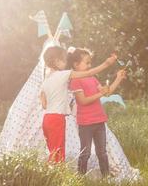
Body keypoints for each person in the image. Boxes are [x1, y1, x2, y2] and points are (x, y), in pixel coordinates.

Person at [40, 46, 117, 163]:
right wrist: (106, 64)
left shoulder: (46, 79)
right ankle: (56, 179)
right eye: (64, 60)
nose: (66, 63)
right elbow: (89, 73)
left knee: (53, 152)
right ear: (56, 61)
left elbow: (44, 104)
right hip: (57, 119)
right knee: (58, 154)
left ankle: (51, 177)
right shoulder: (63, 75)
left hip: (46, 119)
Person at [68, 48, 126, 176]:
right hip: (85, 123)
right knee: (86, 152)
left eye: (90, 63)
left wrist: (118, 79)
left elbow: (107, 92)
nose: (90, 65)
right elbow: (82, 101)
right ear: (76, 64)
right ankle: (80, 178)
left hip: (99, 120)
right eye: (86, 63)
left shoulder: (93, 78)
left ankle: (105, 178)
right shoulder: (75, 80)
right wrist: (100, 93)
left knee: (102, 152)